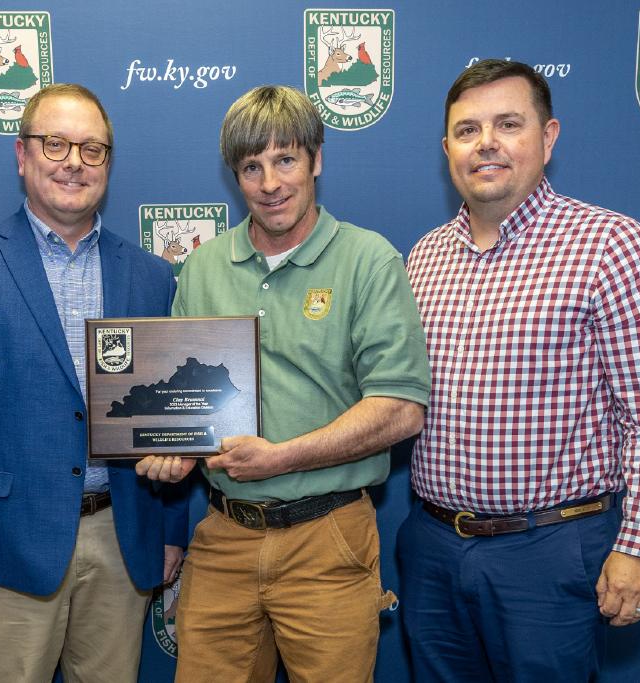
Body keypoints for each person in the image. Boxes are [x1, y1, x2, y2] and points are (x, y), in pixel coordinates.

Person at [401, 59, 640, 681]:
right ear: (447, 146)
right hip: (432, 546)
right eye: (468, 129)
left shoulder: (609, 244)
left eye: (508, 124)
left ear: (548, 137)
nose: (487, 143)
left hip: (551, 550)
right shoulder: (423, 258)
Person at [137, 85, 430, 682]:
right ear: (235, 176)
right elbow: (183, 404)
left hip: (328, 537)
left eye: (285, 160)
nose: (270, 183)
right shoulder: (203, 267)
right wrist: (171, 451)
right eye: (251, 166)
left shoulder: (369, 261)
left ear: (316, 159)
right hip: (223, 535)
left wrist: (281, 458)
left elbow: (400, 409)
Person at [0, 83, 187, 682]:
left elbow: (168, 421)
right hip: (7, 548)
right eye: (56, 143)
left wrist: (170, 533)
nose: (73, 162)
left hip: (125, 537)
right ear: (21, 154)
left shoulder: (150, 275)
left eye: (93, 150)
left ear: (109, 164)